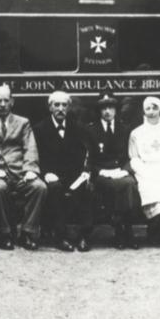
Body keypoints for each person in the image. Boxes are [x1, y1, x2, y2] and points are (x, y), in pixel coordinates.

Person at [0, 84, 47, 251]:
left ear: (12, 101)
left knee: (39, 187)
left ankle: (27, 232)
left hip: (21, 171)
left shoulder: (23, 123)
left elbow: (29, 147)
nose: (2, 104)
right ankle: (6, 234)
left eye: (5, 100)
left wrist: (30, 169)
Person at [34, 91, 94, 252]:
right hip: (51, 174)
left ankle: (83, 236)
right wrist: (46, 173)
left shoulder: (78, 127)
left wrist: (85, 172)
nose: (60, 109)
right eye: (56, 105)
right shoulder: (40, 129)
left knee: (86, 189)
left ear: (69, 107)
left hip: (74, 174)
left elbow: (86, 153)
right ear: (50, 107)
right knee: (55, 189)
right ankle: (60, 236)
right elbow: (37, 156)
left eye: (64, 105)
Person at [84, 90, 140, 250]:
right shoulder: (91, 130)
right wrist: (99, 171)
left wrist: (124, 169)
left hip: (119, 170)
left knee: (129, 183)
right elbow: (89, 157)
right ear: (99, 111)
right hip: (101, 173)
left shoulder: (124, 128)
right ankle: (122, 230)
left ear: (116, 109)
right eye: (103, 108)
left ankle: (125, 228)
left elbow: (129, 155)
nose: (107, 111)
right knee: (123, 186)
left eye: (110, 107)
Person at [127, 96, 160, 245]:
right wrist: (144, 171)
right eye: (148, 108)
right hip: (146, 169)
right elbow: (134, 157)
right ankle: (153, 229)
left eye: (154, 108)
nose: (151, 112)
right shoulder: (136, 133)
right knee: (150, 189)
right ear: (143, 111)